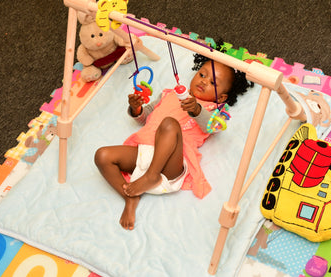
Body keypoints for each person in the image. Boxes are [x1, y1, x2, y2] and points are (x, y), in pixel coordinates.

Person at [94, 50, 253, 230]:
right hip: (143, 152)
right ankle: (129, 198)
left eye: (212, 83)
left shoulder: (214, 111)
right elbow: (145, 117)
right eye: (202, 74)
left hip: (171, 165)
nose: (203, 81)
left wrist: (197, 110)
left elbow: (212, 127)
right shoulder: (169, 94)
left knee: (169, 124)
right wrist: (136, 108)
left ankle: (152, 175)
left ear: (221, 97)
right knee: (102, 155)